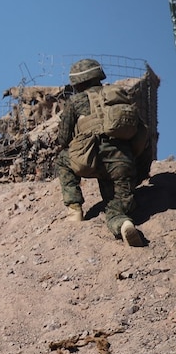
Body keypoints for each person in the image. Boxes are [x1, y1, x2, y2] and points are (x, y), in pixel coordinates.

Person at [54, 58, 148, 246]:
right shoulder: (119, 96)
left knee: (62, 160)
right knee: (116, 208)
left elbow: (63, 140)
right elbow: (142, 135)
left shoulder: (75, 101)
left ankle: (75, 211)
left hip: (90, 162)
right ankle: (123, 224)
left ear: (78, 83)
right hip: (122, 163)